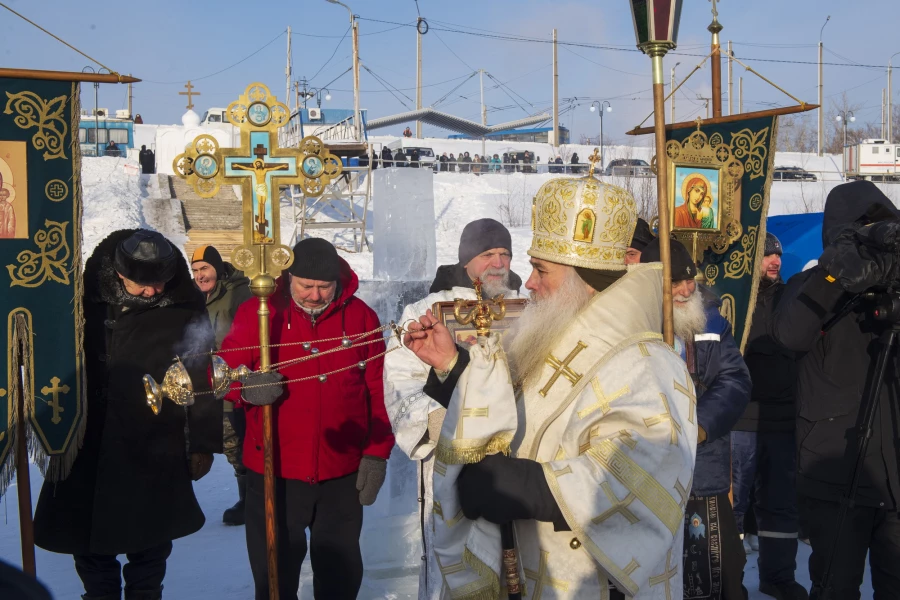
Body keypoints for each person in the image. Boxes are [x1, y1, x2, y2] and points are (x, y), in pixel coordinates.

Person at [404, 176, 697, 599]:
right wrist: (451, 365)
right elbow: (522, 410)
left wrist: (527, 487)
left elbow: (643, 472)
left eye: (542, 270)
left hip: (596, 581)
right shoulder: (559, 335)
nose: (531, 283)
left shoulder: (647, 362)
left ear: (585, 279)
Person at [33, 229, 220, 600]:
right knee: (88, 537)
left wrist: (202, 441)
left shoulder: (184, 303)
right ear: (119, 273)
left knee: (150, 541)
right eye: (141, 285)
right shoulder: (80, 298)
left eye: (159, 283)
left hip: (153, 439)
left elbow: (200, 373)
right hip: (86, 437)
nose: (152, 292)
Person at [220, 238, 394, 600]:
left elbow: (381, 392)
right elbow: (222, 372)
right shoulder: (261, 312)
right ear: (289, 279)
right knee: (274, 578)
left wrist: (377, 452)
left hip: (341, 473)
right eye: (306, 286)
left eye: (324, 287)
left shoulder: (361, 317)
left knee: (340, 577)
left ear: (338, 282)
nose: (315, 296)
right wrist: (246, 388)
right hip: (275, 470)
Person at [773, 180, 900, 600]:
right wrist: (835, 275)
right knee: (836, 589)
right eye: (861, 228)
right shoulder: (811, 284)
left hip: (895, 473)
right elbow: (790, 334)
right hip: (834, 472)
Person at [385, 218, 524, 599]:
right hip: (452, 459)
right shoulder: (428, 309)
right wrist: (450, 425)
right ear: (466, 261)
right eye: (487, 254)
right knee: (457, 569)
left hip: (518, 454)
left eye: (504, 254)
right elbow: (401, 378)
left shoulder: (527, 307)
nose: (498, 263)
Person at [642, 239, 752, 599]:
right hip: (648, 469)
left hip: (702, 470)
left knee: (718, 570)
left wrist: (699, 425)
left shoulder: (711, 321)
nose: (686, 290)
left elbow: (734, 380)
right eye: (676, 282)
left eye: (690, 280)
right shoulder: (634, 324)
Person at [731, 233, 809, 599]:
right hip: (741, 420)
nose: (774, 260)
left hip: (781, 421)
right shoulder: (737, 302)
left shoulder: (789, 301)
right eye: (766, 255)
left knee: (780, 506)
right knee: (732, 506)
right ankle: (727, 581)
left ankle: (777, 577)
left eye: (777, 255)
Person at [191, 245, 254, 526]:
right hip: (202, 384)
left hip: (233, 382)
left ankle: (250, 501)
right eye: (195, 271)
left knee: (236, 443)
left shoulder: (240, 294)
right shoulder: (193, 298)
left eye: (204, 268)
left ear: (217, 267)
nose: (200, 276)